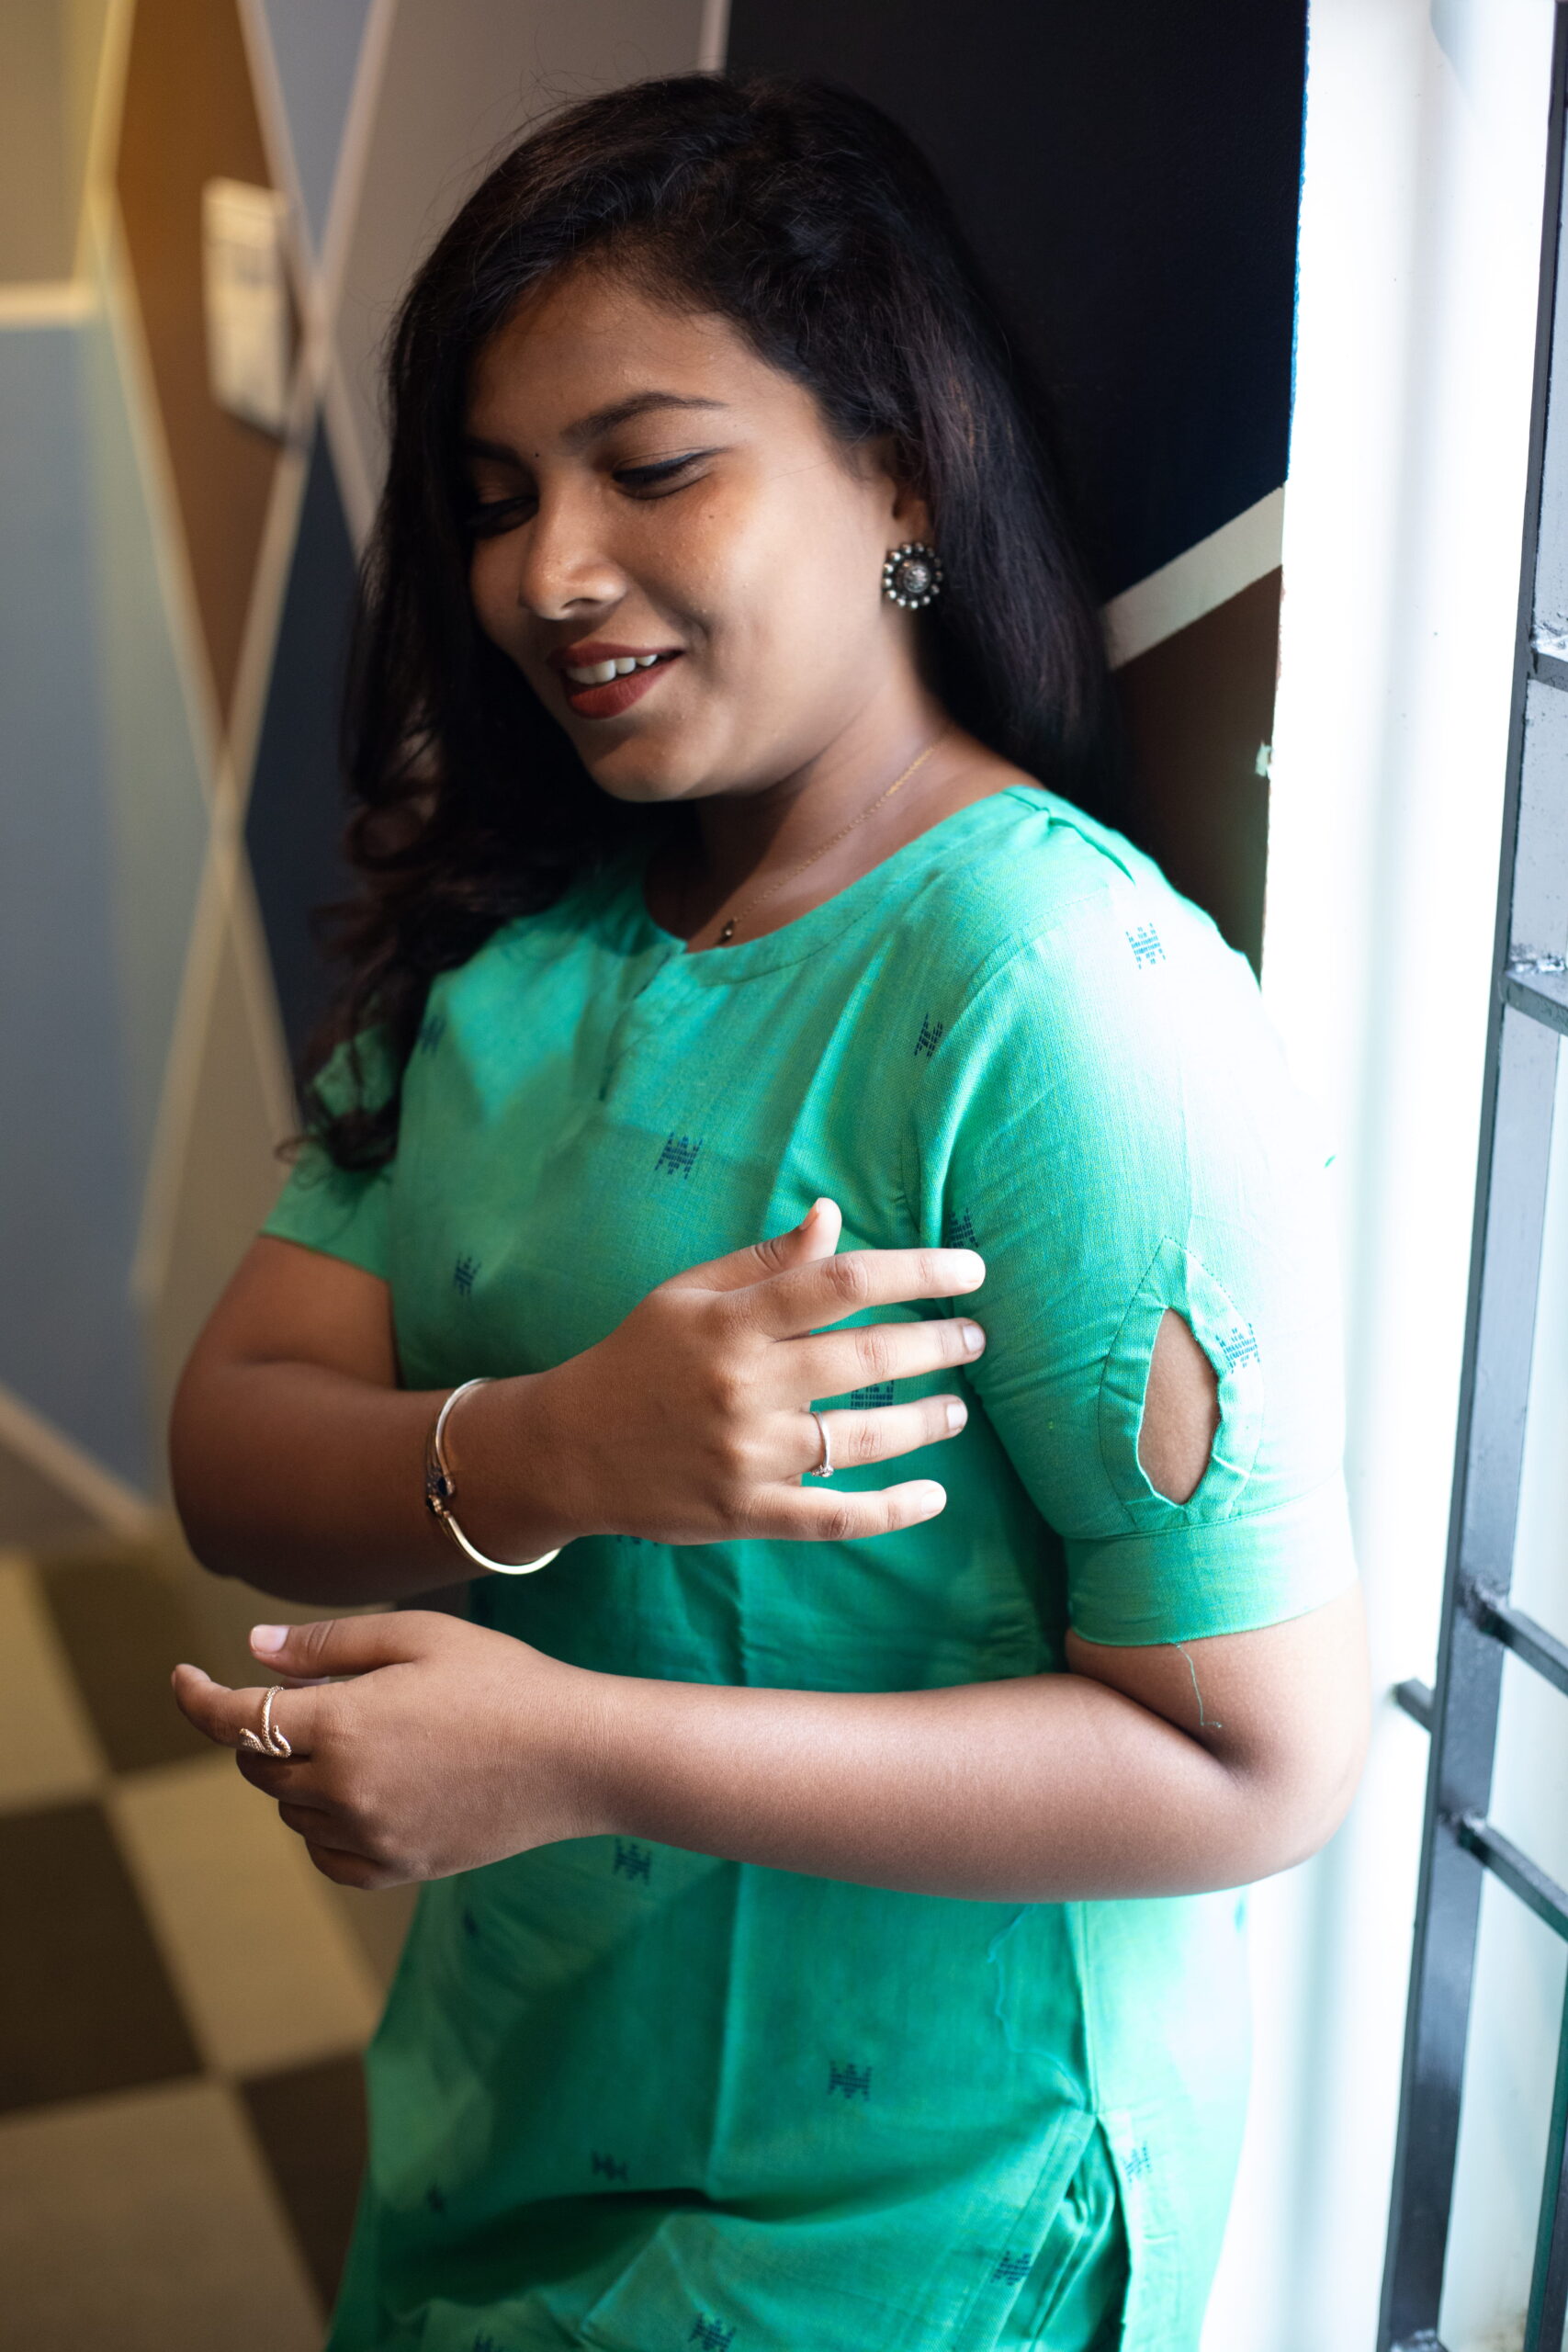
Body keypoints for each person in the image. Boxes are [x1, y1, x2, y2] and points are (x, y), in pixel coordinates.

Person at [168, 73, 1368, 2352]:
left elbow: (1250, 1755)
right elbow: (230, 1450)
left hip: (899, 2210)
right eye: (496, 498)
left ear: (894, 476)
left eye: (651, 466)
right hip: (510, 2095)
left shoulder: (1054, 994)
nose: (547, 571)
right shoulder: (517, 938)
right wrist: (542, 1449)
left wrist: (563, 1745)